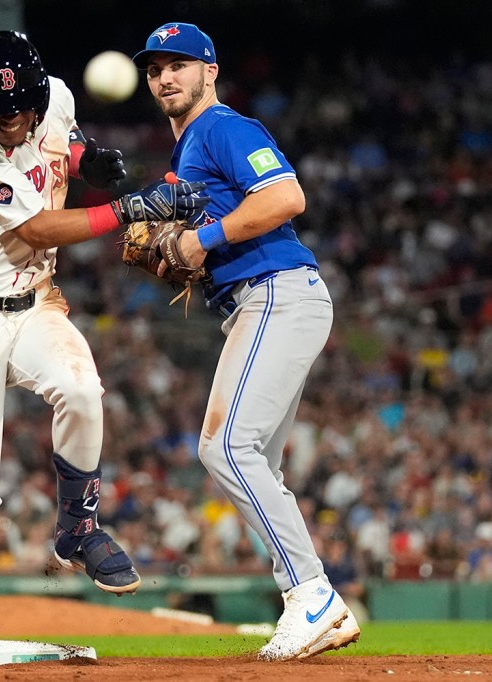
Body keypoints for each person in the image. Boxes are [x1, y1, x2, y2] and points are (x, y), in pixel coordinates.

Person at [0, 29, 209, 640]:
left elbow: (60, 146)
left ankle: (79, 528)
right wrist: (129, 208)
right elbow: (38, 228)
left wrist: (84, 161)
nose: (11, 123)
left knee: (82, 390)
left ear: (39, 94)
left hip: (35, 300)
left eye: (21, 111)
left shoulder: (57, 98)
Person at [131, 22, 360, 660]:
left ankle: (311, 596)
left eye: (179, 64)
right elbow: (202, 236)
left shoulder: (223, 128)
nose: (165, 76)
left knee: (225, 448)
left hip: (278, 293)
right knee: (254, 459)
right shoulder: (187, 156)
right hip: (259, 301)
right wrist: (182, 254)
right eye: (155, 69)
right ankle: (312, 601)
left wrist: (198, 241)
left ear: (210, 71)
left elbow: (286, 196)